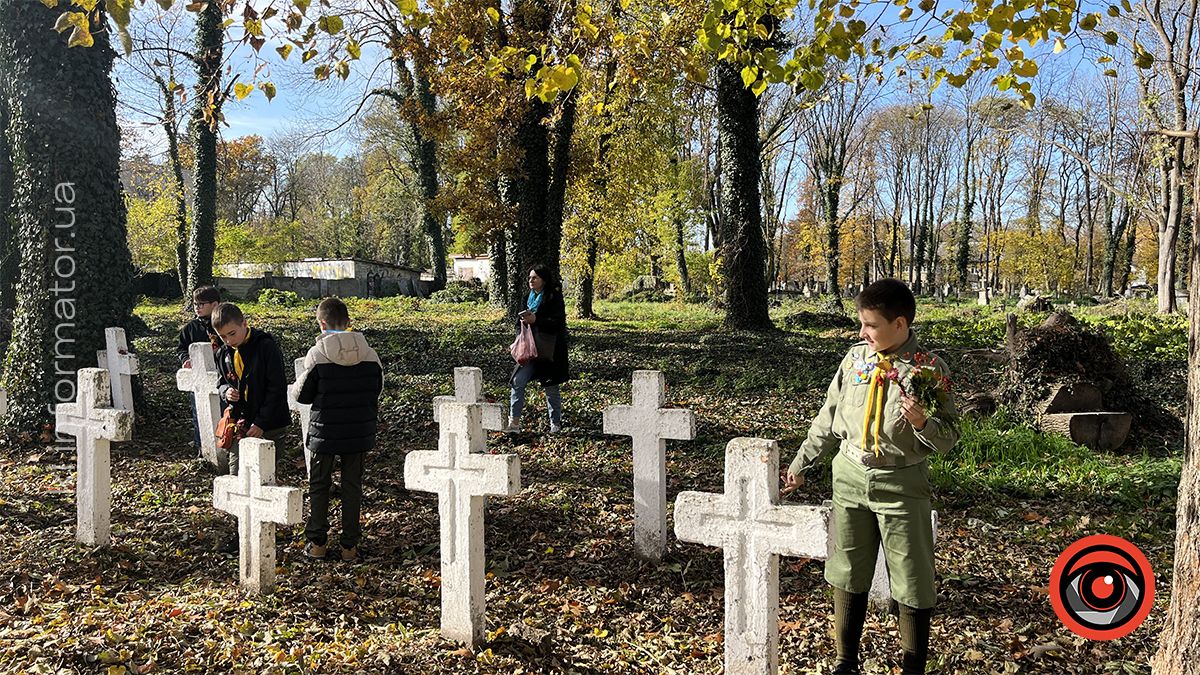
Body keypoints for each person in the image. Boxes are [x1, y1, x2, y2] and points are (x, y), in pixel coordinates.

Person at [783, 278, 958, 675]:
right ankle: (846, 662)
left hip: (901, 485)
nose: (863, 332)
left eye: (871, 325)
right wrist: (800, 464)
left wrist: (924, 423)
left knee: (912, 577)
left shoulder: (930, 370)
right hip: (849, 479)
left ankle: (912, 667)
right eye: (862, 324)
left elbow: (949, 438)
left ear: (900, 324)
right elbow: (828, 419)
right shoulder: (855, 360)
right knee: (847, 570)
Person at [292, 297, 384, 563]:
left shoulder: (317, 354)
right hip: (358, 432)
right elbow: (376, 390)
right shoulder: (370, 354)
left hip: (325, 432)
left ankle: (318, 543)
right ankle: (349, 547)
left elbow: (303, 395)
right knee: (352, 486)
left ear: (322, 323)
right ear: (349, 323)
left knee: (319, 485)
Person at [212, 302, 291, 464]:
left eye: (232, 334)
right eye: (223, 337)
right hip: (240, 422)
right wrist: (226, 391)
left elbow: (277, 388)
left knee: (266, 474)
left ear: (244, 324)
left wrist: (261, 422)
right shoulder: (222, 353)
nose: (228, 341)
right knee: (237, 472)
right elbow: (221, 383)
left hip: (271, 424)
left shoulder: (266, 346)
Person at [506, 264, 570, 433]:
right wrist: (520, 333)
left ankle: (555, 424)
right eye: (529, 278)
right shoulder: (527, 298)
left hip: (548, 350)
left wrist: (537, 320)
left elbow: (559, 323)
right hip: (528, 350)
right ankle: (514, 423)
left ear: (544, 280)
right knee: (518, 381)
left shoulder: (553, 297)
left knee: (551, 387)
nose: (531, 280)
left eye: (535, 277)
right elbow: (516, 323)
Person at [177, 286, 224, 451]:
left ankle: (225, 443)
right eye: (195, 304)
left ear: (215, 304)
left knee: (223, 410)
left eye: (202, 304)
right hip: (198, 377)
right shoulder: (190, 328)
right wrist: (185, 360)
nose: (197, 307)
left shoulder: (223, 324)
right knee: (200, 411)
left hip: (222, 376)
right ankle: (201, 445)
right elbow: (182, 348)